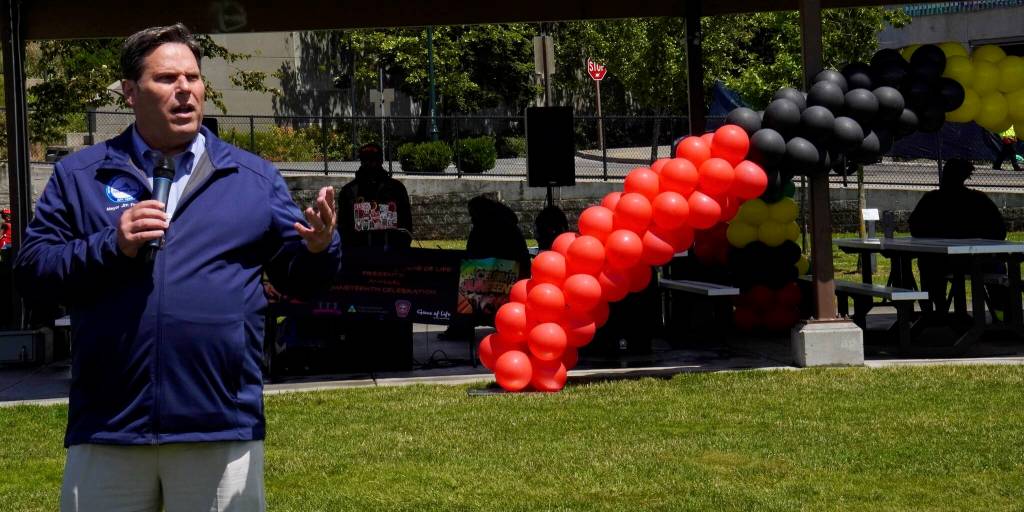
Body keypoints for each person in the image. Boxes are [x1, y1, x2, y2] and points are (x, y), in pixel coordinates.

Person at [13, 24, 341, 512]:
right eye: (167, 78)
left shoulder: (252, 178)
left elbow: (300, 279)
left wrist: (319, 247)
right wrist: (113, 244)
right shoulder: (81, 176)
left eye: (193, 76)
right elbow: (33, 271)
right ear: (130, 91)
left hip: (220, 424)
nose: (185, 89)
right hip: (109, 426)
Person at [909, 158, 1006, 314]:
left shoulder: (932, 200)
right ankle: (1003, 312)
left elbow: (915, 228)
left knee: (927, 263)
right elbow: (999, 230)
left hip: (941, 261)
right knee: (997, 266)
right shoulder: (978, 200)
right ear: (966, 176)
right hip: (976, 260)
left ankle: (936, 309)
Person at [442, 195, 530, 341]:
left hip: (496, 276)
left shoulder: (484, 227)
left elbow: (474, 256)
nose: (471, 219)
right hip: (514, 274)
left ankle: (461, 327)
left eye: (472, 215)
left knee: (463, 284)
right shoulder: (508, 224)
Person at [336, 142, 412, 249]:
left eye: (373, 160)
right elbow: (343, 228)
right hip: (359, 252)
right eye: (366, 160)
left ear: (380, 161)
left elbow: (406, 226)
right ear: (361, 161)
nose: (370, 164)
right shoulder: (349, 191)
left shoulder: (396, 188)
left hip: (391, 251)